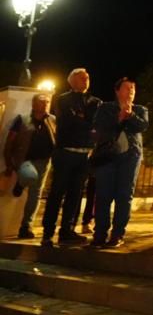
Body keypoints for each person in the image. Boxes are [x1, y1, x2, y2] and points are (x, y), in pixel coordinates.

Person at [41, 68, 103, 248]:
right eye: (82, 78)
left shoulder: (95, 101)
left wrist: (84, 121)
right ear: (72, 81)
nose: (86, 80)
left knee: (75, 195)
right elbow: (69, 122)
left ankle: (67, 230)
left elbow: (96, 124)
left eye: (88, 77)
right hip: (65, 152)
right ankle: (48, 232)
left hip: (84, 154)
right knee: (57, 193)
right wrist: (86, 123)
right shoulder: (63, 99)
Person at [91, 77, 149, 248]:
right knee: (103, 196)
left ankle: (117, 234)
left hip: (130, 157)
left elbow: (143, 126)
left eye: (133, 88)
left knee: (124, 196)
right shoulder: (105, 108)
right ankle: (99, 234)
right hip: (107, 156)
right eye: (127, 88)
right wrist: (118, 119)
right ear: (117, 91)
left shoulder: (140, 109)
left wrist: (130, 115)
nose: (131, 91)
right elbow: (98, 128)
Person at [4, 93, 57, 239]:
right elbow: (10, 142)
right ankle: (21, 182)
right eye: (42, 102)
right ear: (34, 104)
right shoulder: (22, 119)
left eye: (47, 102)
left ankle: (26, 226)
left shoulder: (52, 120)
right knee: (30, 177)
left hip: (44, 161)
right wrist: (9, 163)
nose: (46, 104)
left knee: (36, 193)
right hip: (25, 159)